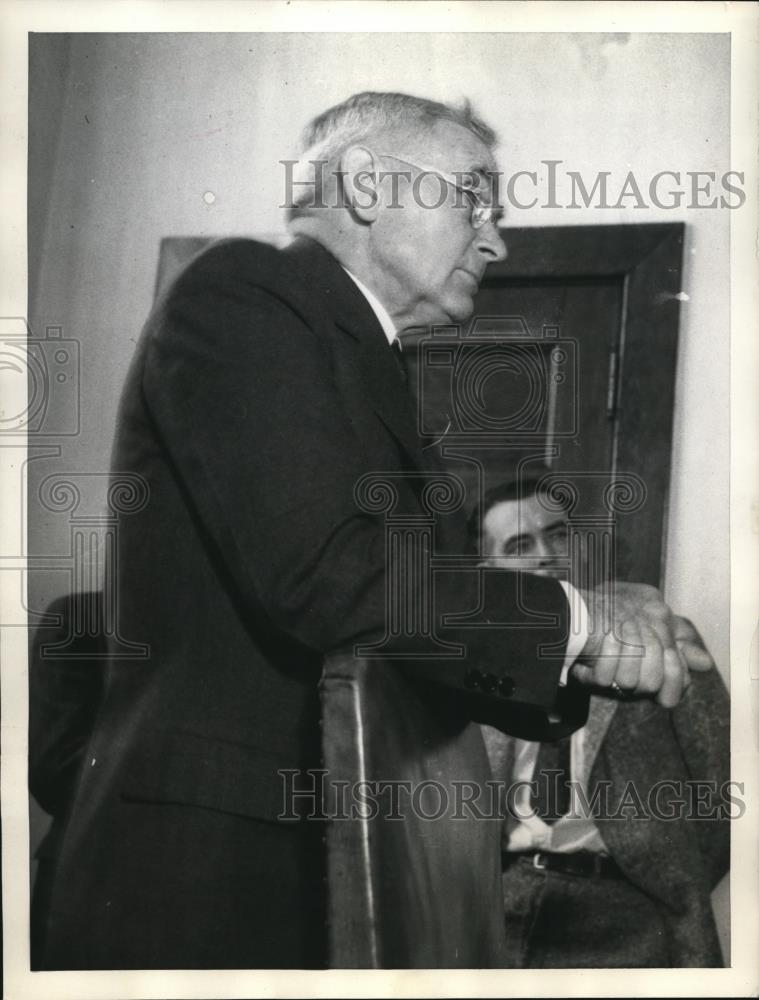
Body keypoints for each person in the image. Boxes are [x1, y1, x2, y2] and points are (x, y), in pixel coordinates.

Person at [36, 92, 702, 970]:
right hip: (211, 877)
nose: (494, 238)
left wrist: (591, 643)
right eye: (472, 197)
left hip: (316, 860)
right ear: (361, 185)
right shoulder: (246, 292)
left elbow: (405, 641)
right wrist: (577, 624)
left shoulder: (364, 361)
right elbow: (331, 577)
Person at [472, 469, 730, 967]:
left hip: (627, 913)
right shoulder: (467, 662)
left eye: (558, 534)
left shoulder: (658, 638)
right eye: (520, 544)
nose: (545, 554)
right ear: (488, 568)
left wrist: (668, 874)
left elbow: (725, 788)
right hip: (495, 903)